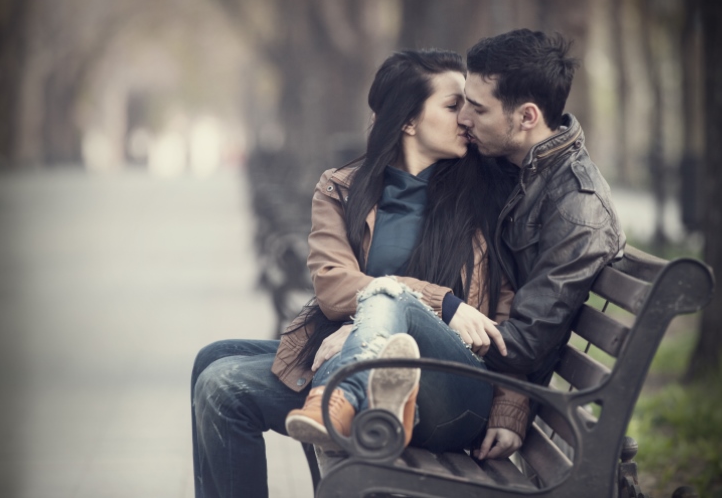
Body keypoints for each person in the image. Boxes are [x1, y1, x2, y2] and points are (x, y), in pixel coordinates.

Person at [191, 49, 527, 498]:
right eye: (452, 106)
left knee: (228, 379)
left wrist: (510, 411)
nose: (466, 117)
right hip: (374, 376)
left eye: (468, 105)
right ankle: (346, 389)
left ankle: (337, 394)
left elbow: (515, 316)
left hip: (454, 391)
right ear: (408, 121)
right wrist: (432, 305)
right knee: (212, 366)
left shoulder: (491, 193)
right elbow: (333, 287)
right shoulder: (344, 188)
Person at [456, 28, 627, 384]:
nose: (463, 118)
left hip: (497, 383)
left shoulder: (577, 207)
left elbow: (524, 344)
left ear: (527, 117)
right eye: (463, 102)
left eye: (478, 108)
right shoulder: (510, 166)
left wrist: (434, 317)